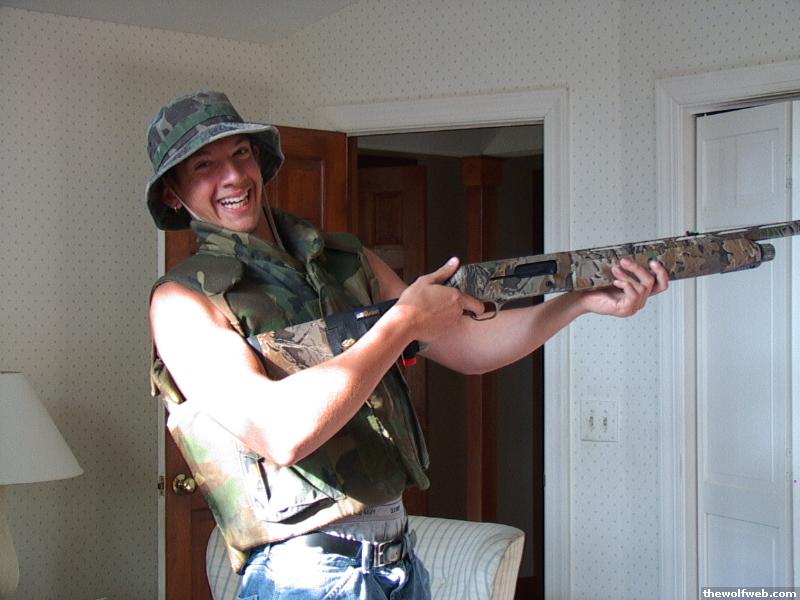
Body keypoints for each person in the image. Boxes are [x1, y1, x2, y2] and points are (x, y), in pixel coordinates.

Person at [146, 91, 668, 600]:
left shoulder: (343, 258)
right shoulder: (181, 300)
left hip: (397, 563)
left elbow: (466, 347)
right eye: (204, 166)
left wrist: (578, 302)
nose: (233, 176)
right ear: (173, 194)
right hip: (303, 574)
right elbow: (278, 433)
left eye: (241, 153)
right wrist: (402, 323)